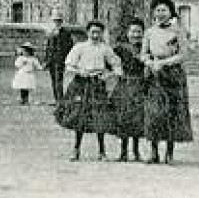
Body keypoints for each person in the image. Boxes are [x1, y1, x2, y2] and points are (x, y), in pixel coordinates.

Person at [58, 20, 119, 161]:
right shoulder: (80, 47)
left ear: (102, 33)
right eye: (93, 32)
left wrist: (107, 74)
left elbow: (116, 65)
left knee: (99, 117)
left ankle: (102, 151)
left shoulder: (105, 48)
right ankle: (76, 149)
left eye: (98, 32)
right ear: (88, 32)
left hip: (97, 84)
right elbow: (69, 65)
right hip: (82, 83)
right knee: (80, 116)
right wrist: (80, 71)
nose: (95, 35)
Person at [140, 0, 193, 160]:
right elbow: (143, 53)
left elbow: (184, 55)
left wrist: (164, 63)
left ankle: (169, 152)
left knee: (172, 112)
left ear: (171, 12)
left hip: (173, 75)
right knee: (154, 113)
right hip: (154, 75)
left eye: (164, 10)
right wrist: (149, 62)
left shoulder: (178, 31)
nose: (161, 14)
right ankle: (154, 151)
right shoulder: (149, 32)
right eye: (157, 10)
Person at [110, 19, 148, 163]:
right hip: (124, 86)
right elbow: (109, 61)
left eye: (139, 31)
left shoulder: (146, 48)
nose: (136, 34)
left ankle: (136, 151)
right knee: (123, 118)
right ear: (127, 33)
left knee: (138, 119)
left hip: (140, 86)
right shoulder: (120, 49)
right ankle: (123, 152)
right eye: (133, 31)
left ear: (143, 33)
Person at [45, 15, 75, 107]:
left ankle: (60, 100)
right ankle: (56, 99)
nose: (56, 23)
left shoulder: (66, 33)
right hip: (51, 60)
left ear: (61, 22)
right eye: (55, 21)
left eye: (58, 21)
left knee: (59, 80)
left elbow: (69, 47)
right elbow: (48, 48)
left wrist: (67, 59)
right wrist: (46, 60)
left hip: (60, 60)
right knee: (53, 80)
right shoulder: (51, 32)